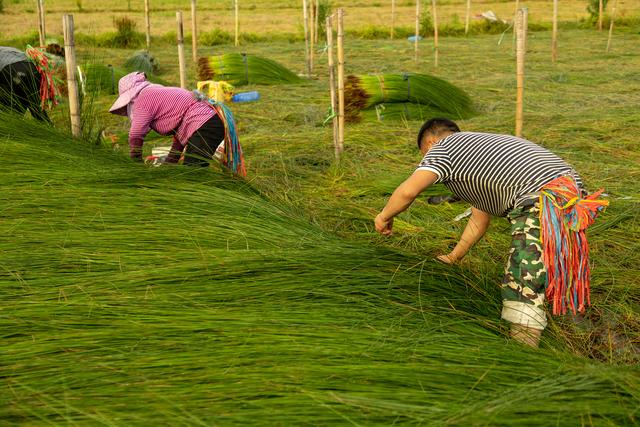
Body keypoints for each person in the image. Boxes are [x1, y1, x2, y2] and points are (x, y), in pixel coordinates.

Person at [374, 118, 608, 347]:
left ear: (431, 144)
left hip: (542, 196)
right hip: (571, 194)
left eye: (423, 155)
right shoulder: (477, 154)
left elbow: (408, 191)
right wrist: (454, 257)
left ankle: (523, 358)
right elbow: (479, 220)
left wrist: (383, 216)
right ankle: (569, 320)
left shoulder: (443, 148)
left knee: (521, 279)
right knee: (544, 265)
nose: (424, 161)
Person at [109, 71, 245, 174]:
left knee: (191, 173)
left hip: (206, 124)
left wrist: (136, 162)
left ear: (130, 97)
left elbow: (136, 134)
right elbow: (180, 139)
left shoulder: (143, 98)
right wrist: (169, 165)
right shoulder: (155, 95)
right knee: (192, 170)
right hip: (209, 122)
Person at [0, 46, 53, 123]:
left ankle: (12, 128)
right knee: (35, 107)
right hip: (33, 70)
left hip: (13, 70)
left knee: (9, 108)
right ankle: (48, 129)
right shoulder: (6, 49)